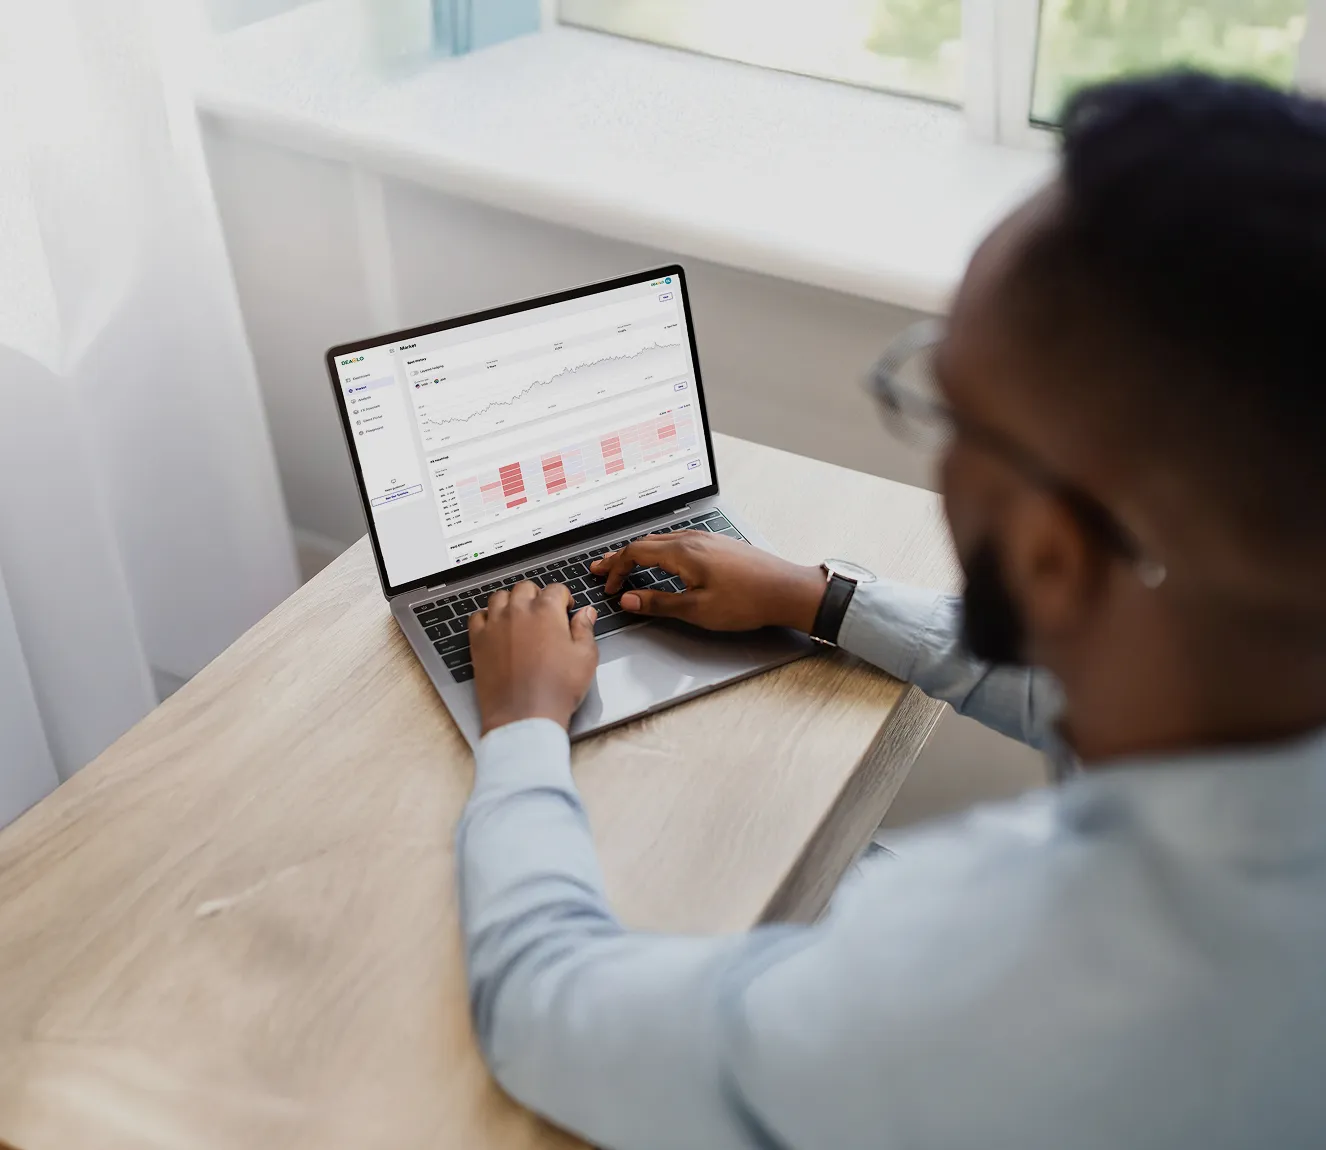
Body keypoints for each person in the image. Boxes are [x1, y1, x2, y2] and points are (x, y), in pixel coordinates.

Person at [457, 73, 1326, 1150]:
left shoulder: (990, 984)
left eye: (947, 406)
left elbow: (542, 1012)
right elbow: (1124, 672)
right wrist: (822, 598)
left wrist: (524, 730)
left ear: (1053, 554)